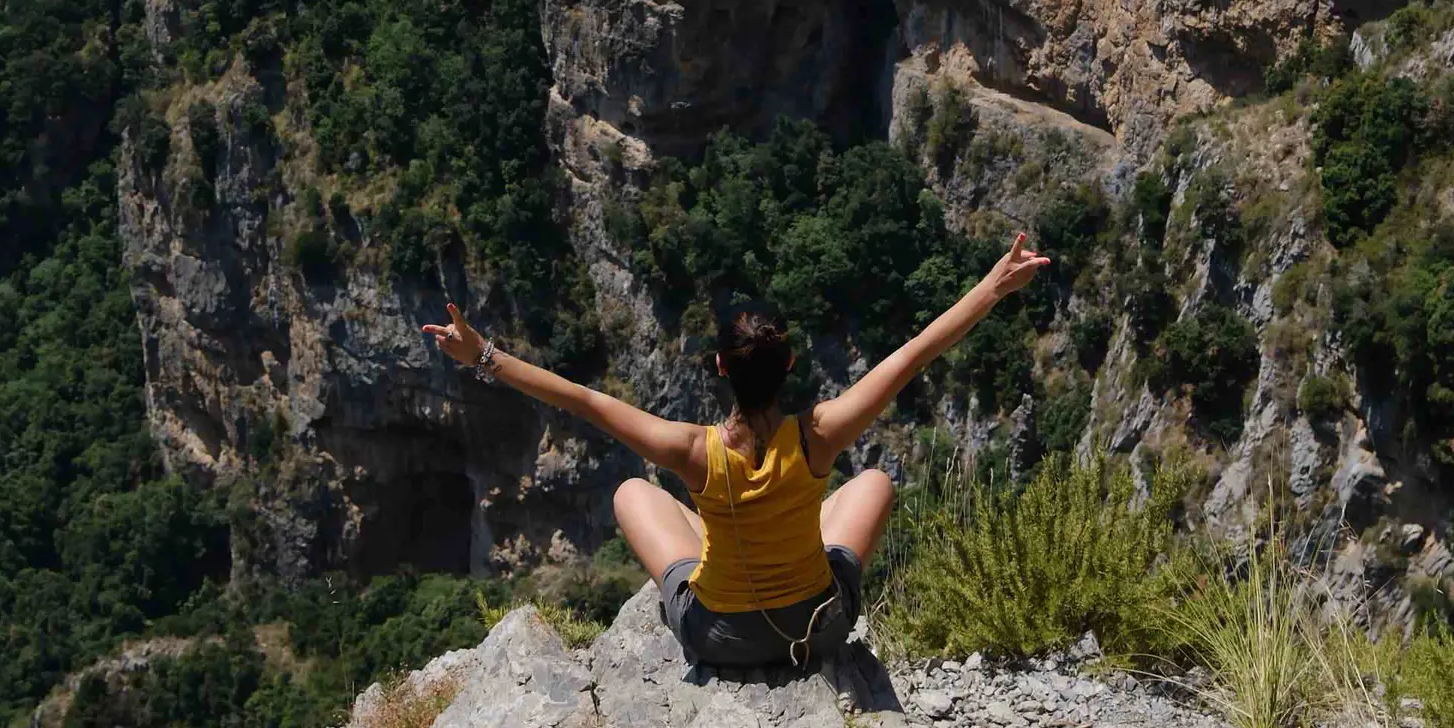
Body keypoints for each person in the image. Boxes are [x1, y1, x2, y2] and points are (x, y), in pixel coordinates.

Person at [423, 229, 1048, 672]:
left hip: (718, 638)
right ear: (790, 364)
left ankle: (726, 552)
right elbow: (915, 353)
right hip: (816, 631)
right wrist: (994, 286)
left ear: (720, 367)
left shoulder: (692, 450)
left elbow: (583, 399)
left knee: (633, 493)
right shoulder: (820, 433)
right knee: (875, 483)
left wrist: (483, 354)